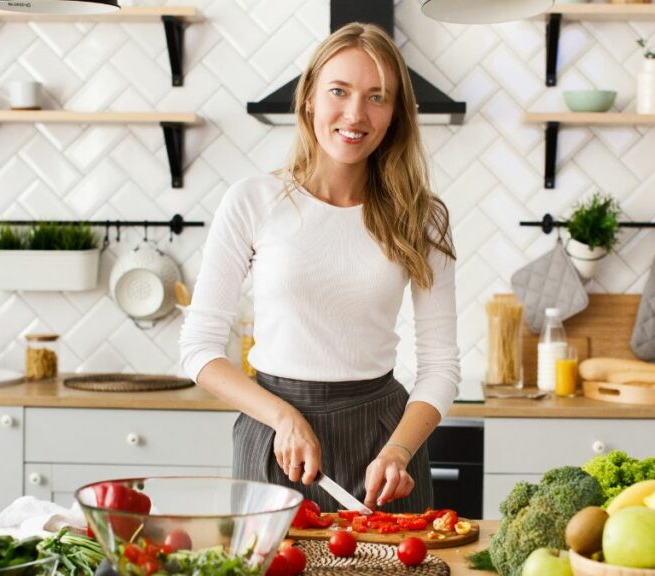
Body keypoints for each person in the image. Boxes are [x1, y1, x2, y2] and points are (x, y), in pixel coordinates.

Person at [179, 22, 459, 513]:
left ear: (395, 114)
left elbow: (440, 366)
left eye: (378, 97)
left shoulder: (422, 216)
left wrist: (399, 449)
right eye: (339, 91)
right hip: (273, 441)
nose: (356, 114)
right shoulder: (253, 200)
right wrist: (281, 416)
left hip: (384, 446)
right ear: (308, 97)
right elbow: (198, 349)